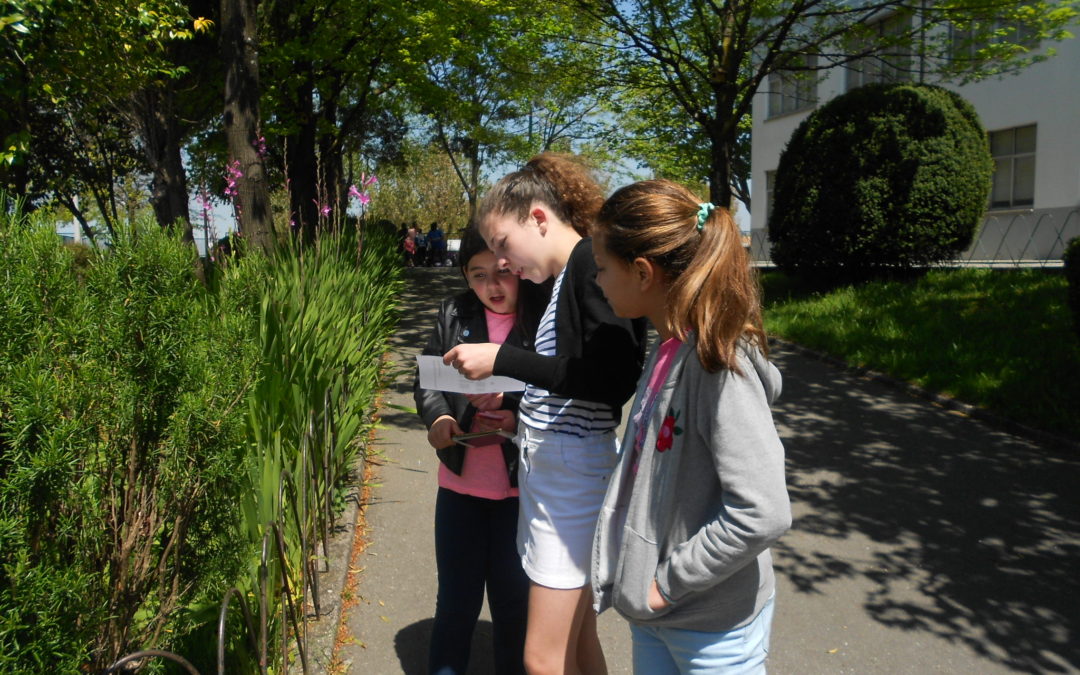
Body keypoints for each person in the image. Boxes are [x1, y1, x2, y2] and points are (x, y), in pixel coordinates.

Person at [443, 153, 647, 675]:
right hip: (557, 479)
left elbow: (611, 379)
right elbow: (569, 380)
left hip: (571, 486)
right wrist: (518, 407)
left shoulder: (584, 264)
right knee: (578, 647)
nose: (504, 264)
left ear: (538, 218)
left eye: (504, 246)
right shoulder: (557, 281)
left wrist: (502, 361)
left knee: (541, 658)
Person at [589, 179, 791, 674]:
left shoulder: (717, 365)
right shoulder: (668, 348)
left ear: (641, 272)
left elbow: (762, 513)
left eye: (601, 268)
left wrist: (667, 584)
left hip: (711, 629)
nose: (596, 281)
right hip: (657, 614)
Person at [414, 226, 548, 675]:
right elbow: (428, 380)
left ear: (521, 270)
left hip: (521, 492)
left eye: (504, 272)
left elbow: (562, 390)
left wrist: (515, 413)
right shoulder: (454, 311)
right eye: (478, 275)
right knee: (455, 600)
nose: (492, 286)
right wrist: (439, 419)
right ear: (465, 277)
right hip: (459, 487)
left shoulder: (543, 318)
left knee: (515, 606)